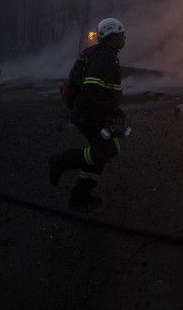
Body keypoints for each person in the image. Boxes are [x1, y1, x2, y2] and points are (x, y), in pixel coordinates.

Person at [49, 17, 128, 209]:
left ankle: (80, 197)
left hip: (88, 112)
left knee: (101, 154)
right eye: (121, 35)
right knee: (109, 149)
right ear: (111, 36)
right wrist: (111, 111)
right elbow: (92, 89)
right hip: (89, 114)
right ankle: (62, 161)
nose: (124, 38)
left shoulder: (105, 54)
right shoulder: (104, 56)